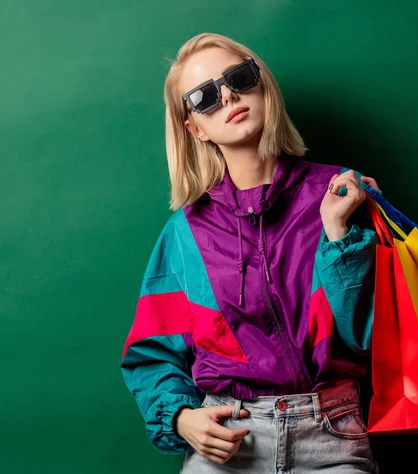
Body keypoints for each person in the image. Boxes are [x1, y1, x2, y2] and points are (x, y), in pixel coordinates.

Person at [120, 32, 382, 473]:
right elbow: (152, 352)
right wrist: (182, 418)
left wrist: (339, 234)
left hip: (331, 436)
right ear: (195, 128)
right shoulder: (186, 232)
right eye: (203, 97)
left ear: (263, 85)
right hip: (227, 441)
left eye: (238, 78)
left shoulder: (341, 193)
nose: (228, 97)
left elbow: (369, 339)